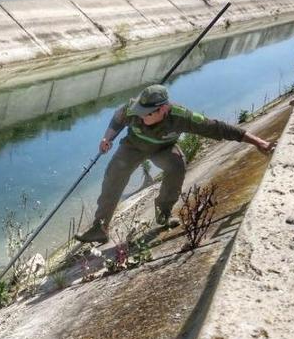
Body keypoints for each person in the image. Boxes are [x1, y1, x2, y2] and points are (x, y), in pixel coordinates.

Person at [74, 84, 275, 243]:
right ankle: (100, 227)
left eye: (147, 113)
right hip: (133, 147)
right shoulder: (133, 109)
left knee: (177, 166)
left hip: (163, 149)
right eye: (140, 112)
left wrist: (259, 142)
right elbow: (117, 119)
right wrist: (106, 138)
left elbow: (219, 128)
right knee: (114, 176)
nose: (142, 117)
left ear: (163, 109)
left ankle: (163, 213)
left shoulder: (182, 117)